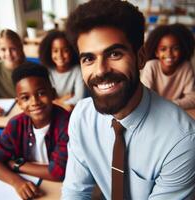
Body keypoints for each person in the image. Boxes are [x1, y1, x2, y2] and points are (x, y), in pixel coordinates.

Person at [62, 0, 195, 199]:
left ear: (140, 57)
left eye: (114, 54)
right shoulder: (82, 116)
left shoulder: (181, 140)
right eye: (88, 59)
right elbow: (75, 191)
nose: (100, 71)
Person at [0, 62, 69, 200]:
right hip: (31, 187)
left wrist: (16, 165)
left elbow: (59, 172)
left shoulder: (67, 124)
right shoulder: (16, 124)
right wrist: (16, 182)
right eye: (25, 98)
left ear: (52, 94)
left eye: (41, 93)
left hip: (59, 191)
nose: (34, 102)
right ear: (19, 103)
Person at [141, 23, 195, 109]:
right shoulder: (151, 66)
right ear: (156, 53)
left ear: (182, 50)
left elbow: (192, 98)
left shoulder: (186, 67)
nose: (169, 54)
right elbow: (143, 98)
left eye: (175, 48)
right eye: (163, 49)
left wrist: (168, 105)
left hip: (174, 111)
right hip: (154, 112)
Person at [39, 30, 86, 112]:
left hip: (72, 111)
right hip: (54, 111)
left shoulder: (77, 70)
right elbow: (45, 98)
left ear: (72, 51)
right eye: (55, 51)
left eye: (65, 50)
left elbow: (79, 98)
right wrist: (61, 102)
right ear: (49, 52)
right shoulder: (47, 71)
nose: (60, 55)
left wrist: (54, 102)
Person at [0, 29, 26, 116]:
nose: (8, 53)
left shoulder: (31, 69)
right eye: (3, 49)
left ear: (20, 47)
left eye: (13, 49)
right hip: (3, 117)